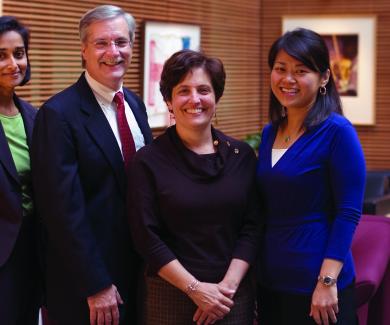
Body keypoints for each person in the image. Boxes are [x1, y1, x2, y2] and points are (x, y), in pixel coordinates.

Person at [31, 5, 152, 325]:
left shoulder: (135, 105)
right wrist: (96, 284)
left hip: (137, 271)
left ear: (132, 45)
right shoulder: (59, 115)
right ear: (83, 50)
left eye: (121, 42)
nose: (113, 52)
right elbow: (61, 212)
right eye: (101, 43)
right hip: (87, 285)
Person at [128, 49, 259, 325]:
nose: (194, 99)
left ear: (216, 97)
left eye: (203, 90)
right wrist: (196, 289)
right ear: (169, 101)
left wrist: (226, 288)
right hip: (170, 295)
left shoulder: (242, 155)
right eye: (183, 91)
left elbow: (253, 227)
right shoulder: (148, 161)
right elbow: (146, 237)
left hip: (231, 297)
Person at [256, 28, 365, 325]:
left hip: (318, 287)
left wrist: (326, 282)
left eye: (300, 71)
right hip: (271, 281)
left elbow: (348, 212)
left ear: (324, 78)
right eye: (280, 69)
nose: (287, 79)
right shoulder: (269, 133)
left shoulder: (338, 132)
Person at [0, 16, 41, 324]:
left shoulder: (34, 116)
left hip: (32, 247)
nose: (13, 63)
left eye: (18, 53)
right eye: (1, 55)